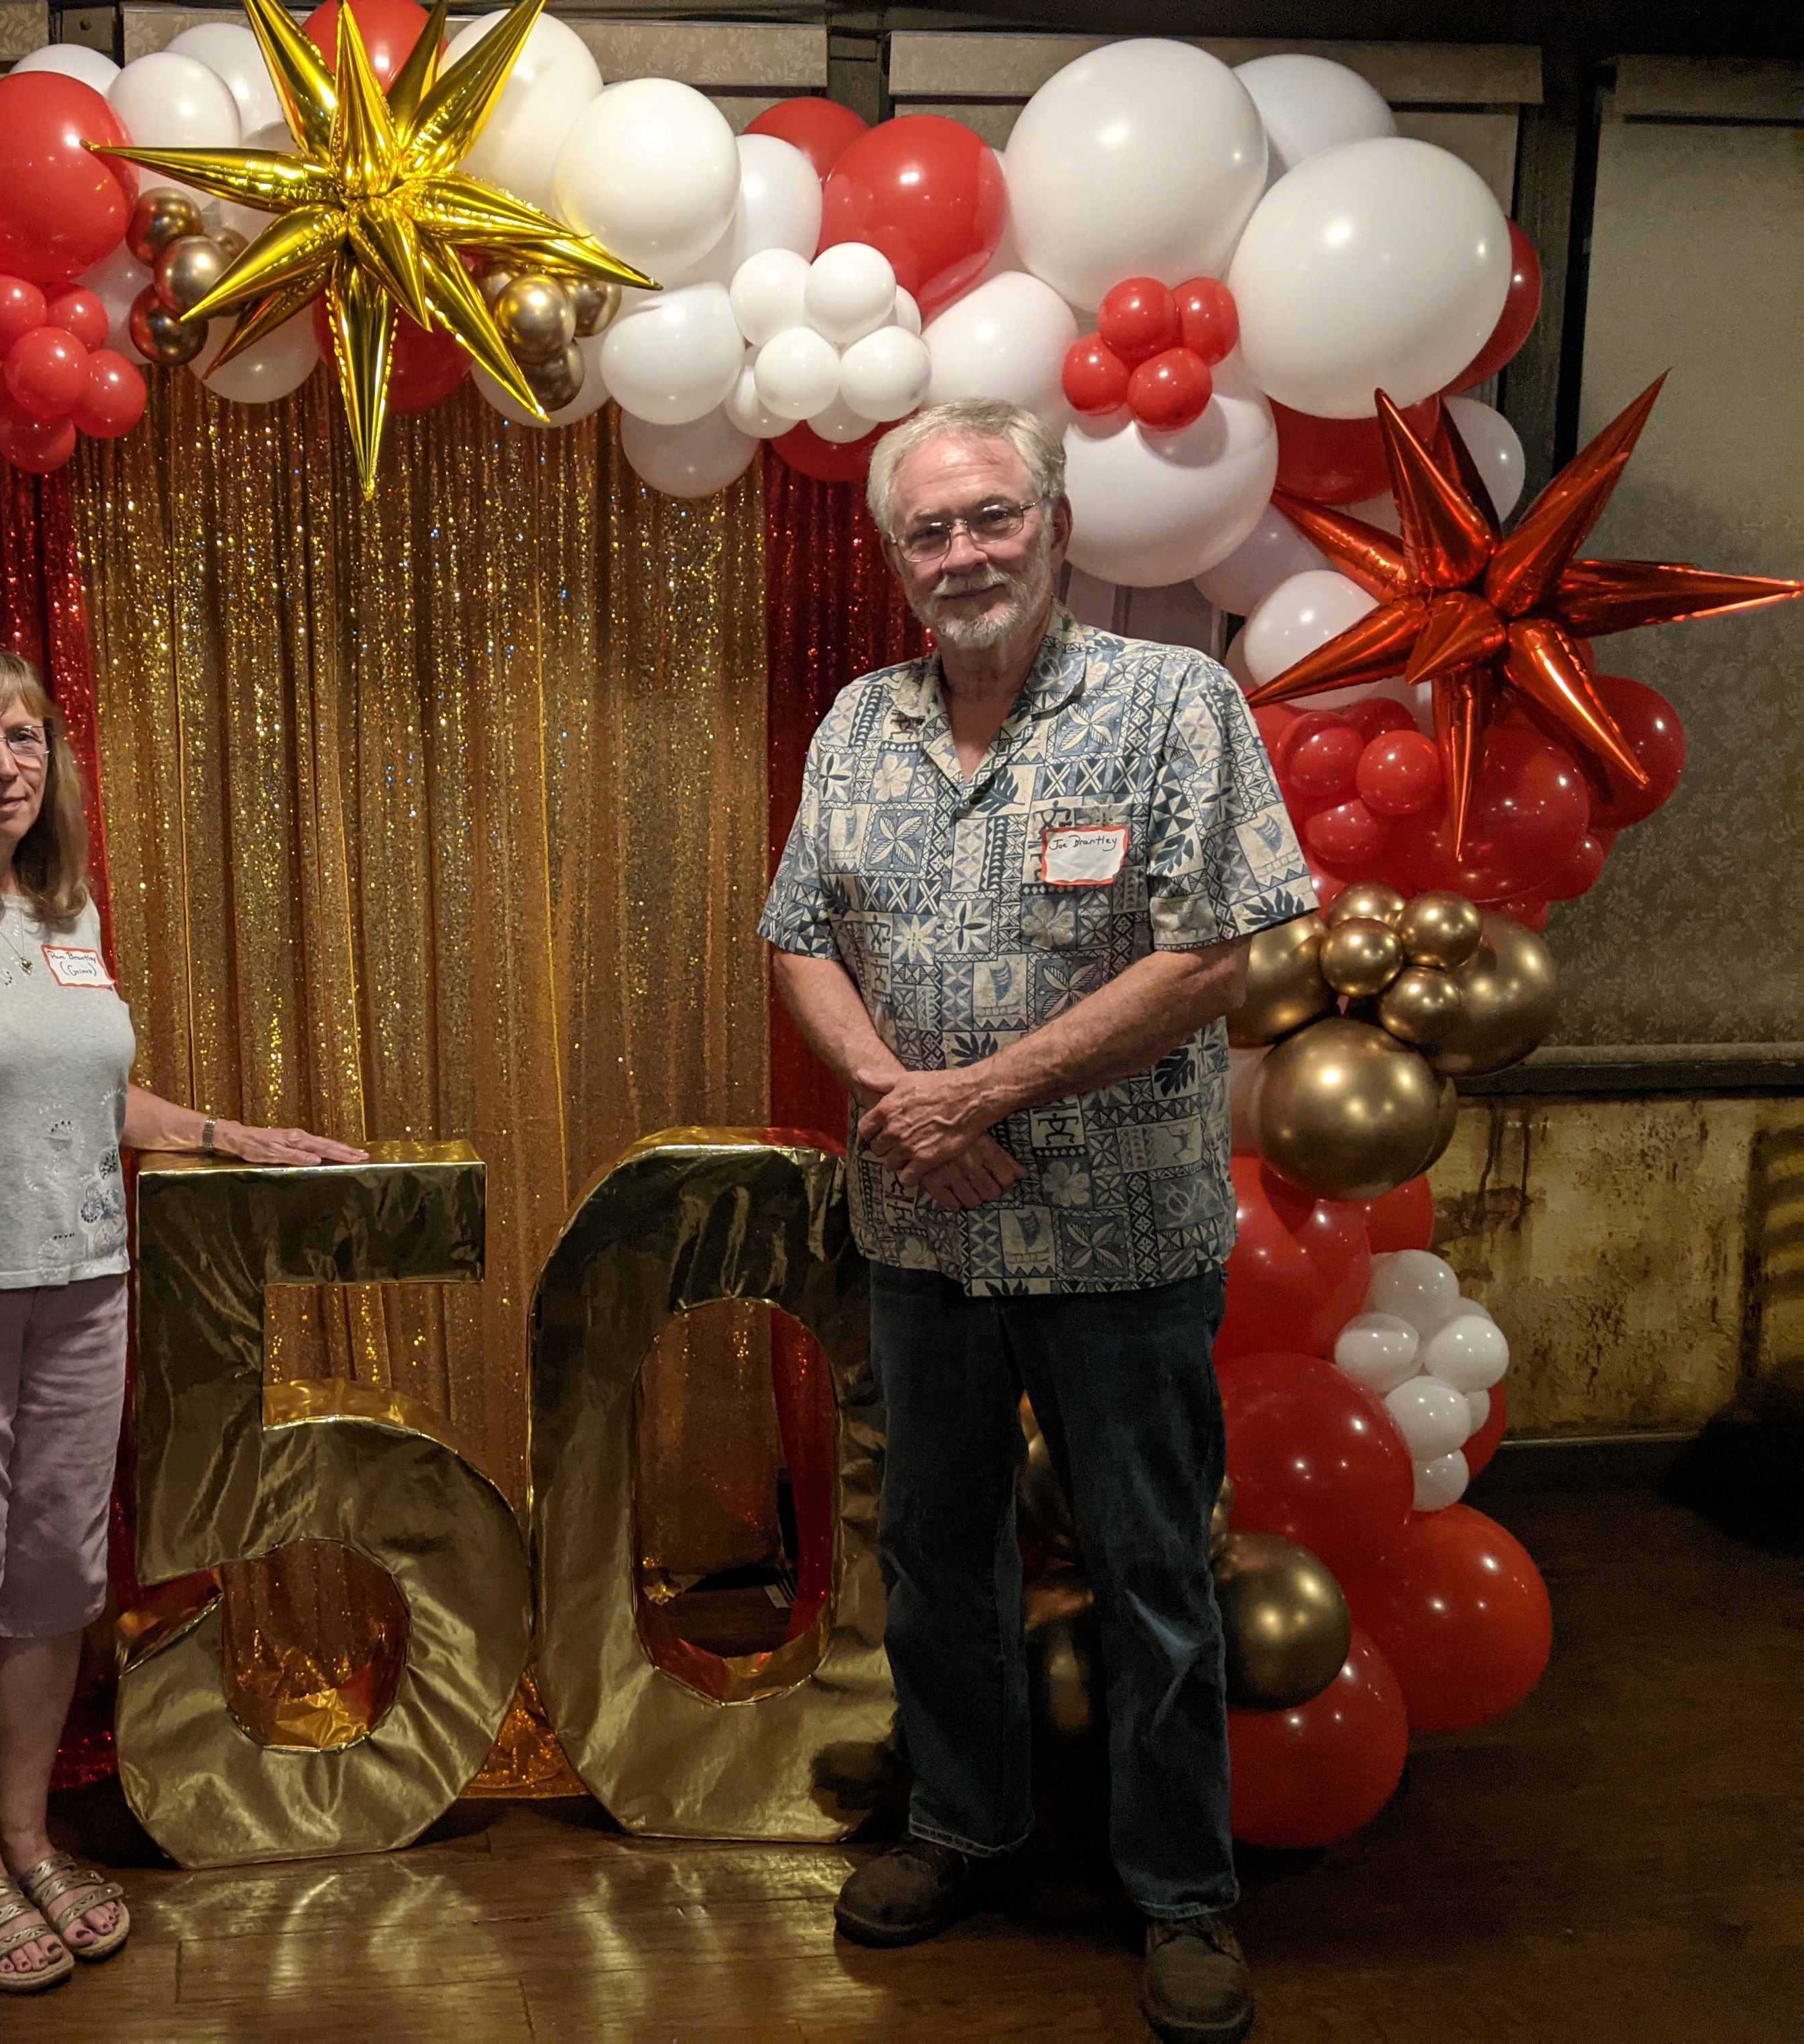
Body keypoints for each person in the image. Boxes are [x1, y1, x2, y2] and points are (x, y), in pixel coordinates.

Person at [760, 401, 1313, 2044]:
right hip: (923, 1232)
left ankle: (1182, 1891)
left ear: (1057, 527)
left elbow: (1214, 958)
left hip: (1120, 1239)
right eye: (928, 531)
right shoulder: (858, 724)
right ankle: (965, 1823)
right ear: (895, 557)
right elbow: (798, 934)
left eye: (992, 517)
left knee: (1151, 1566)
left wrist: (982, 1094)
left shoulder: (1173, 703)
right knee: (937, 1552)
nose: (964, 554)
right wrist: (901, 1100)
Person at [0, 641, 363, 1994]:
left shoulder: (61, 906)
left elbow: (88, 1098)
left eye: (26, 735)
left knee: (54, 1583)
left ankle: (30, 1841)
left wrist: (230, 1134)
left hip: (85, 1292)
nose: (5, 764)